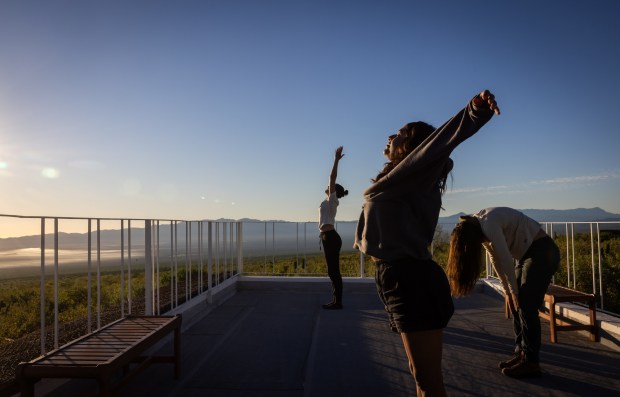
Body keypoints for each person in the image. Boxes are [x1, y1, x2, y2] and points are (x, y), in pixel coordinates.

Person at [354, 90, 500, 396]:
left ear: (414, 146)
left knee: (427, 380)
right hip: (399, 277)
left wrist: (474, 111)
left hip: (410, 279)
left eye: (401, 133)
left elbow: (445, 140)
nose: (391, 135)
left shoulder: (415, 171)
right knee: (420, 376)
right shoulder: (400, 178)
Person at [446, 207, 560, 379]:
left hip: (542, 252)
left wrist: (514, 291)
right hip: (527, 255)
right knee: (515, 303)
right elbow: (495, 259)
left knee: (526, 305)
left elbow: (506, 258)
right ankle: (521, 354)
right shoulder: (480, 225)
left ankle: (531, 362)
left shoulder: (489, 223)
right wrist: (508, 292)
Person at [319, 146, 348, 310]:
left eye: (332, 187)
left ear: (334, 191)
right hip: (326, 237)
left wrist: (336, 160)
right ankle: (337, 301)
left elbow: (332, 177)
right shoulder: (328, 201)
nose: (329, 186)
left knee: (334, 271)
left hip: (330, 237)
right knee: (332, 271)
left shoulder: (332, 200)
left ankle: (338, 302)